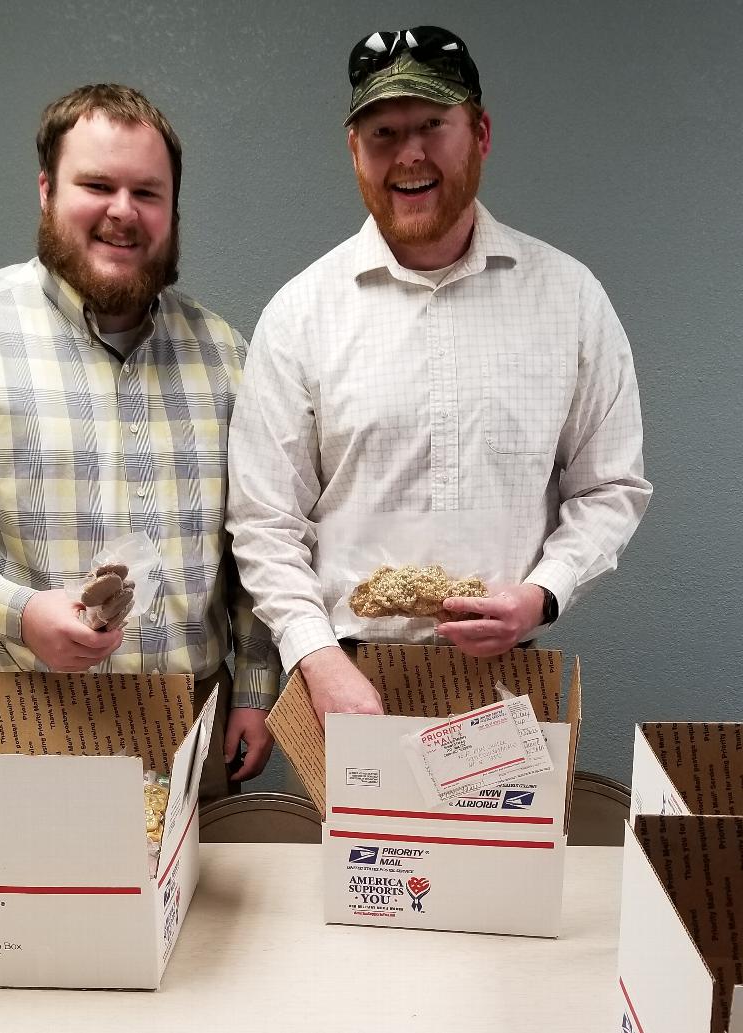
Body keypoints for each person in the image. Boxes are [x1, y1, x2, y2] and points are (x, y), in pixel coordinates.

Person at [0, 84, 280, 799]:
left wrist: (257, 686)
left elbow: (261, 534)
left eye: (147, 191)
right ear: (46, 191)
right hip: (30, 722)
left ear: (172, 209)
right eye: (96, 184)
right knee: (39, 915)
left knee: (206, 917)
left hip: (199, 725)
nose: (122, 211)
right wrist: (17, 611)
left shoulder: (227, 354)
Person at [227, 26, 651, 725]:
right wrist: (315, 656)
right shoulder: (301, 315)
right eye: (384, 132)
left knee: (504, 843)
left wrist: (543, 592)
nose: (410, 154)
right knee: (358, 844)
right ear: (354, 149)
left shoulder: (570, 300)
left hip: (506, 675)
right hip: (343, 677)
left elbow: (610, 485)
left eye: (432, 125)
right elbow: (264, 522)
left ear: (480, 133)